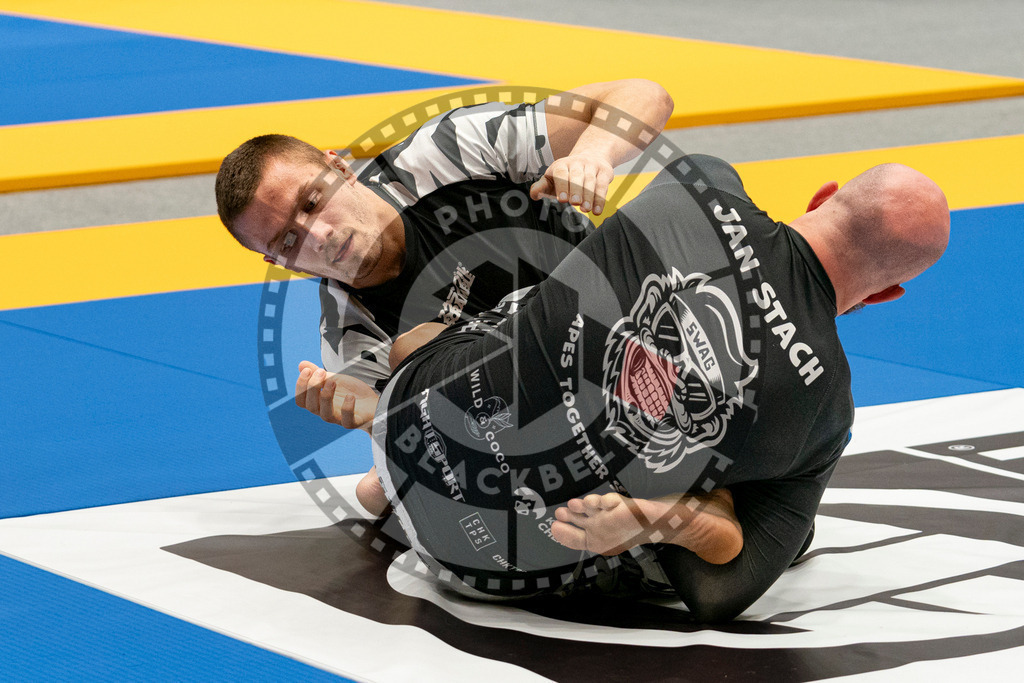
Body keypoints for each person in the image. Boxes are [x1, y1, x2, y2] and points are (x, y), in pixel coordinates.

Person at [318, 154, 949, 622]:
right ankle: (680, 510)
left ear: (824, 195)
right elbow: (718, 595)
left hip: (413, 415)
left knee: (474, 321)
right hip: (478, 565)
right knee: (774, 516)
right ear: (888, 292)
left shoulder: (701, 184)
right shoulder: (827, 408)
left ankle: (390, 468)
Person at [214, 80, 674, 405]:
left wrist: (593, 154)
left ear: (339, 169)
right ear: (280, 262)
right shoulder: (353, 340)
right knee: (378, 479)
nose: (321, 237)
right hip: (564, 390)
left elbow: (645, 95)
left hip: (628, 308)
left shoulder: (444, 153)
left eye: (313, 202)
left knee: (687, 196)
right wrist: (374, 419)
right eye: (290, 240)